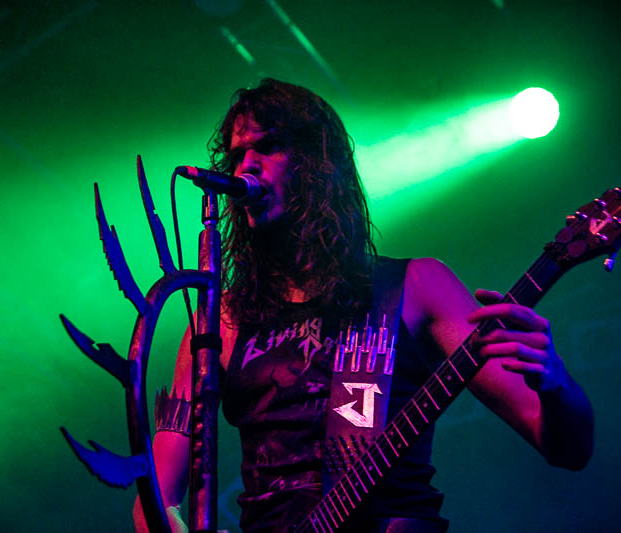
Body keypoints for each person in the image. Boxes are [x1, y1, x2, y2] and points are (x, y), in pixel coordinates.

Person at [132, 79, 593, 533]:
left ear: (317, 165)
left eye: (268, 146)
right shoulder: (220, 324)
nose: (246, 165)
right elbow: (156, 501)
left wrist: (556, 384)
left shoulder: (415, 287)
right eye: (237, 155)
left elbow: (568, 449)